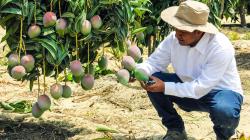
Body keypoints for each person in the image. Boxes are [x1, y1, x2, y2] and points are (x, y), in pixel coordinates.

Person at [136, 1, 244, 140]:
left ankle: (225, 136)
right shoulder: (174, 39)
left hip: (221, 93)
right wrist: (140, 71)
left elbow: (200, 88)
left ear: (199, 31)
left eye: (183, 31)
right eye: (176, 29)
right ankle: (175, 130)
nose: (177, 34)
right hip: (188, 87)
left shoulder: (220, 47)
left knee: (224, 111)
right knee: (152, 79)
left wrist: (164, 87)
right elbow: (154, 62)